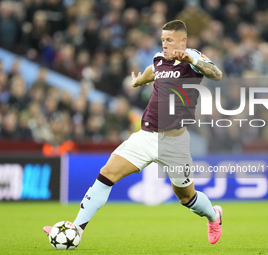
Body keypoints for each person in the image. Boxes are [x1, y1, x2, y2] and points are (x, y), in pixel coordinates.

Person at [44, 20, 223, 245]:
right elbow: (153, 70)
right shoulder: (160, 59)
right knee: (106, 174)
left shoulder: (193, 60)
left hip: (175, 143)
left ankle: (214, 216)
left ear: (183, 41)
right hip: (146, 136)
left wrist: (192, 59)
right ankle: (77, 229)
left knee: (186, 197)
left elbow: (216, 74)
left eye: (169, 40)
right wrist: (140, 80)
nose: (165, 44)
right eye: (163, 40)